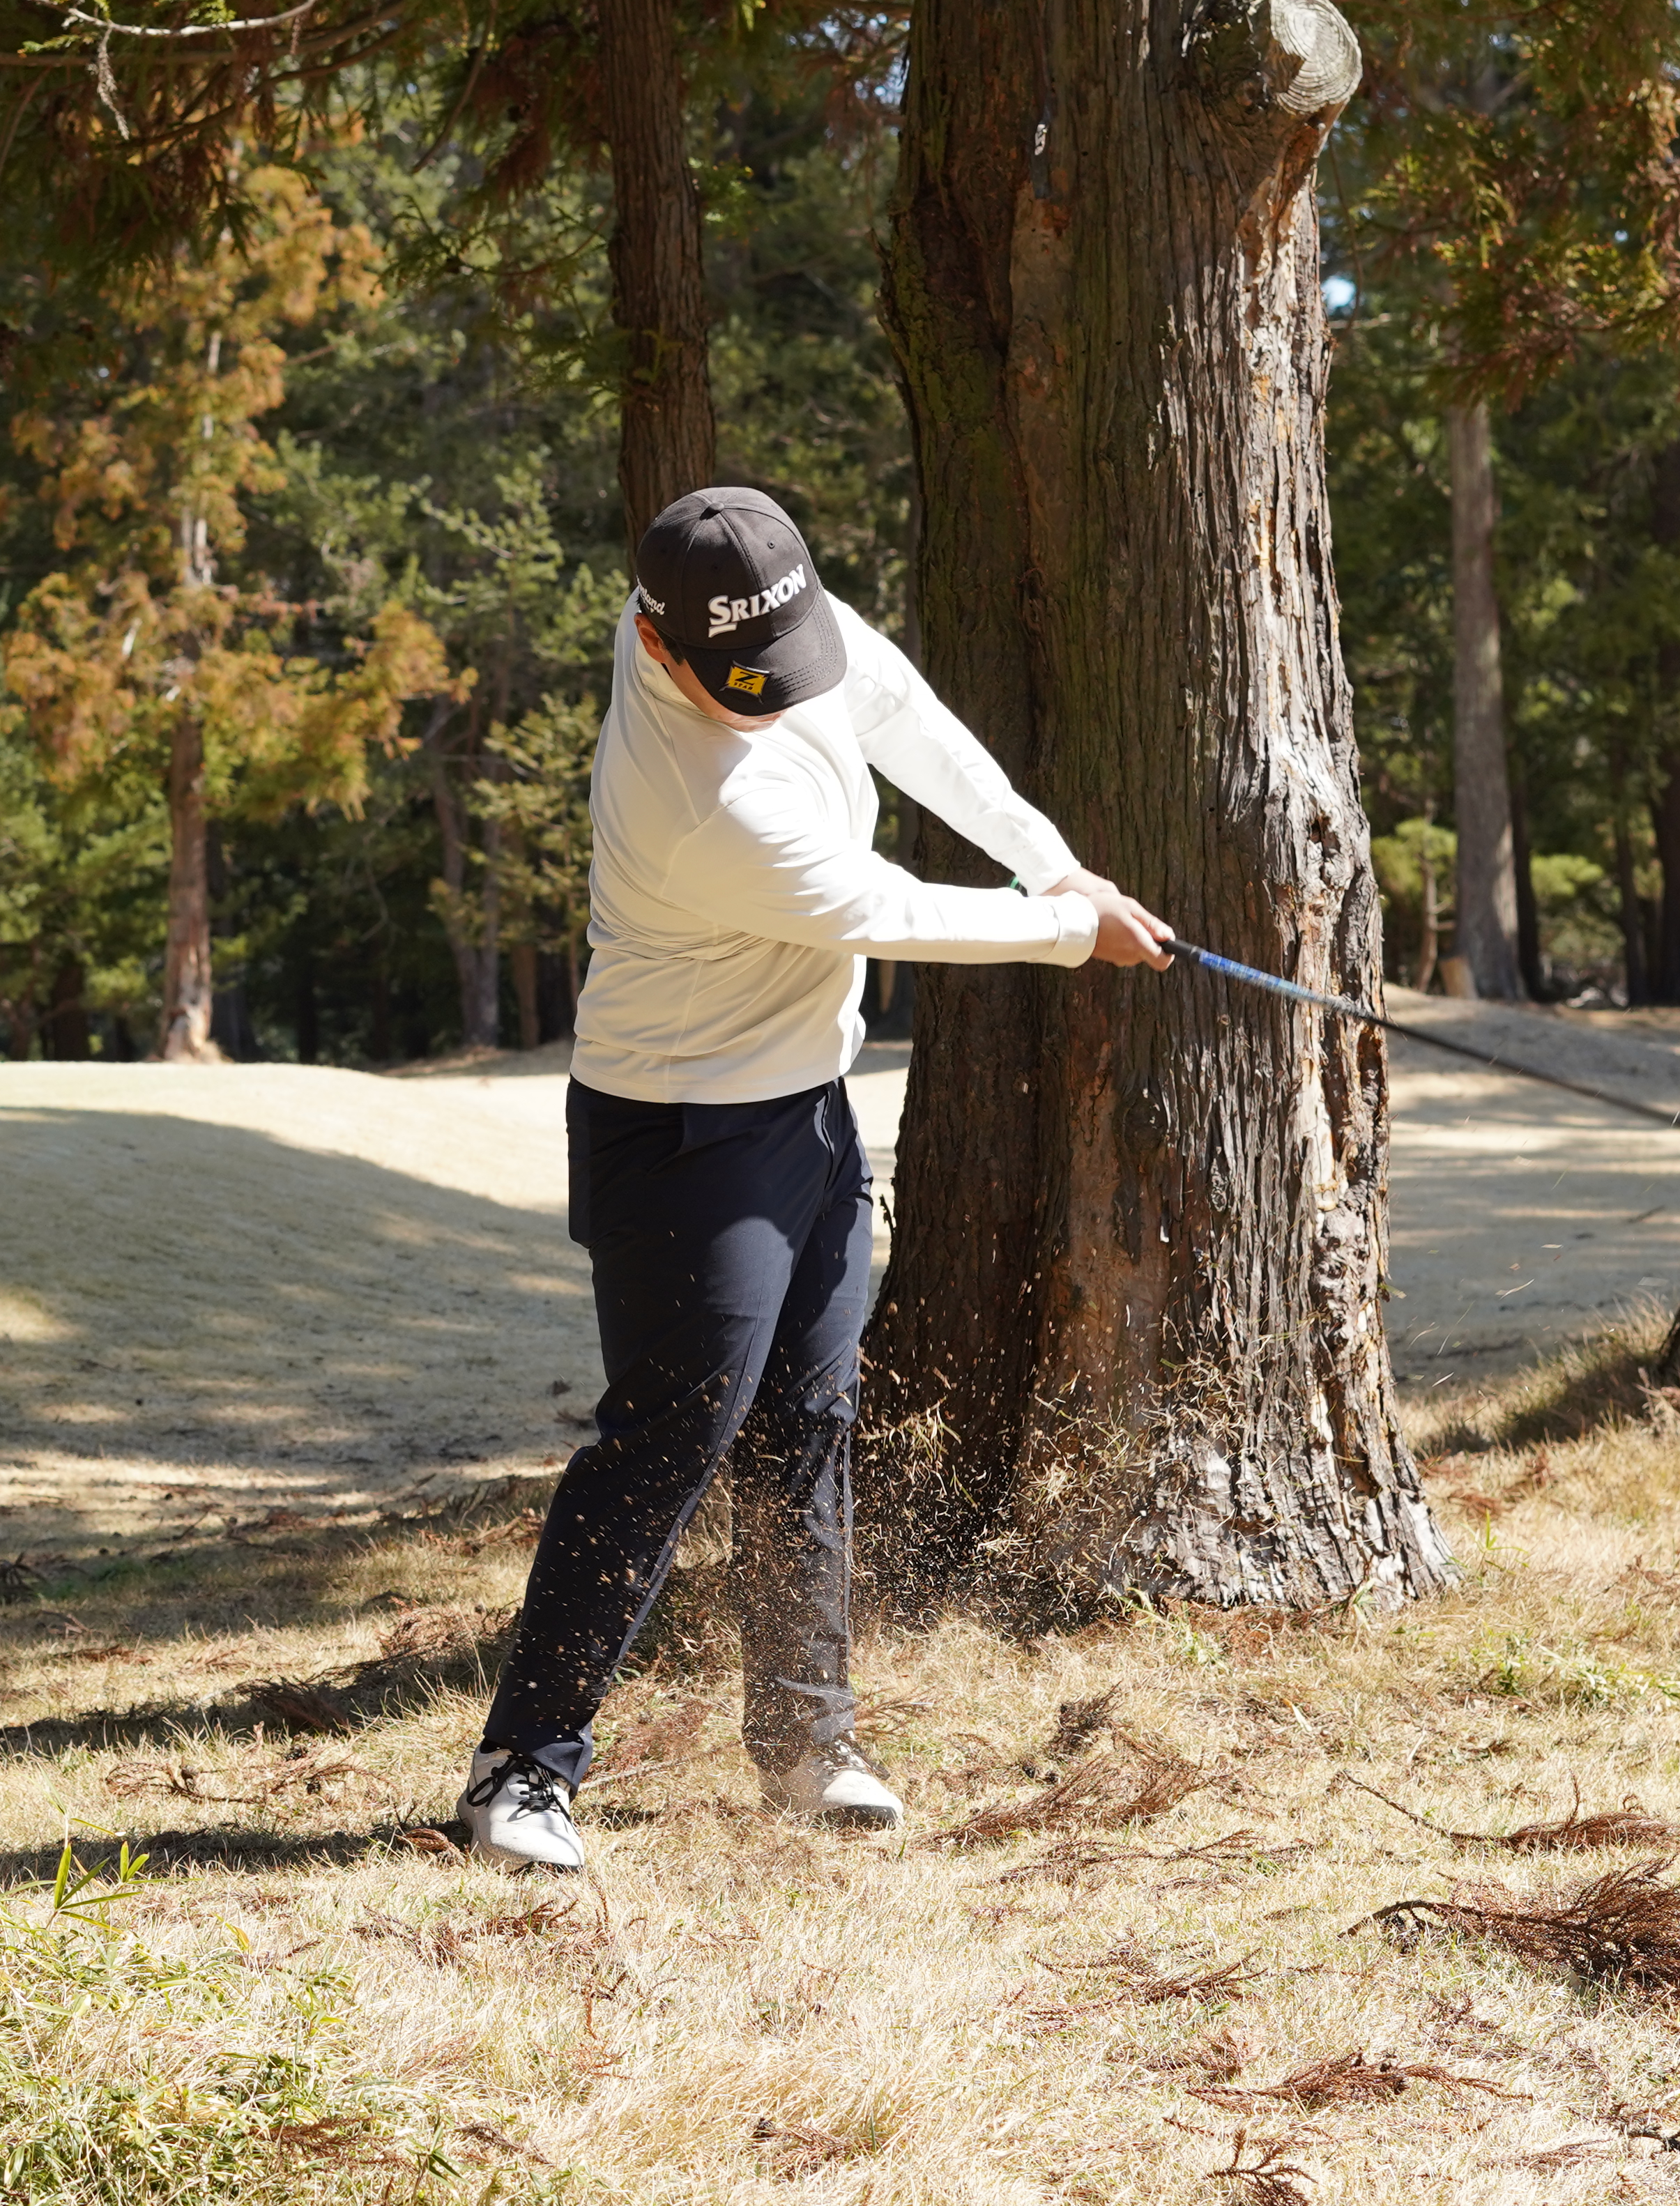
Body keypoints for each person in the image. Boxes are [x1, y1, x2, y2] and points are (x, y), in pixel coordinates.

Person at [456, 486, 1171, 1872]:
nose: (775, 700)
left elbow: (901, 713)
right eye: (742, 684)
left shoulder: (761, 618)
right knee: (668, 1446)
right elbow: (877, 906)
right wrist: (1066, 927)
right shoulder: (696, 804)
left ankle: (806, 1739)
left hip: (807, 1110)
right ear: (656, 647)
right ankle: (519, 1774)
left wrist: (1050, 855)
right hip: (680, 1138)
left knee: (813, 1419)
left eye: (788, 663)